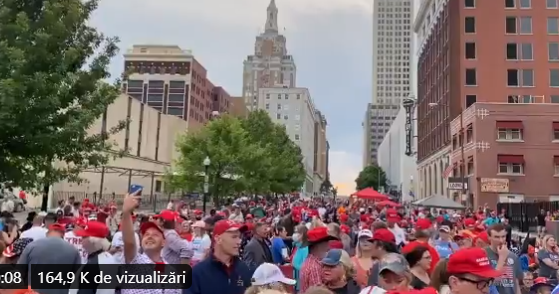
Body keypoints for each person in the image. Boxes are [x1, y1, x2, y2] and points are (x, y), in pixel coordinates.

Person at [187, 220, 252, 294]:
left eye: (239, 237)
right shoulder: (197, 273)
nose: (239, 241)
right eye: (234, 237)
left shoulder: (244, 268)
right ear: (218, 239)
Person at [18, 223, 82, 294]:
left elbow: (19, 272)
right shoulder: (73, 250)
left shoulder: (31, 246)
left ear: (47, 233)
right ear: (63, 235)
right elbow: (77, 277)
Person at [484, 223, 523, 294]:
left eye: (503, 236)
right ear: (489, 237)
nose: (501, 240)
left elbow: (516, 282)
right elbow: (488, 283)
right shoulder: (483, 254)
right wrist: (501, 258)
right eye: (496, 237)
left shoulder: (513, 256)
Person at [300, 226, 339, 292]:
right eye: (326, 244)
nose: (328, 247)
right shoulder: (314, 267)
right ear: (318, 245)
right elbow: (318, 292)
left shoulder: (310, 262)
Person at [292, 224, 309, 292]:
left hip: (301, 284)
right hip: (296, 281)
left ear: (302, 234)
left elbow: (305, 267)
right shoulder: (298, 246)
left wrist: (295, 264)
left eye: (296, 232)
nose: (294, 234)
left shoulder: (305, 249)